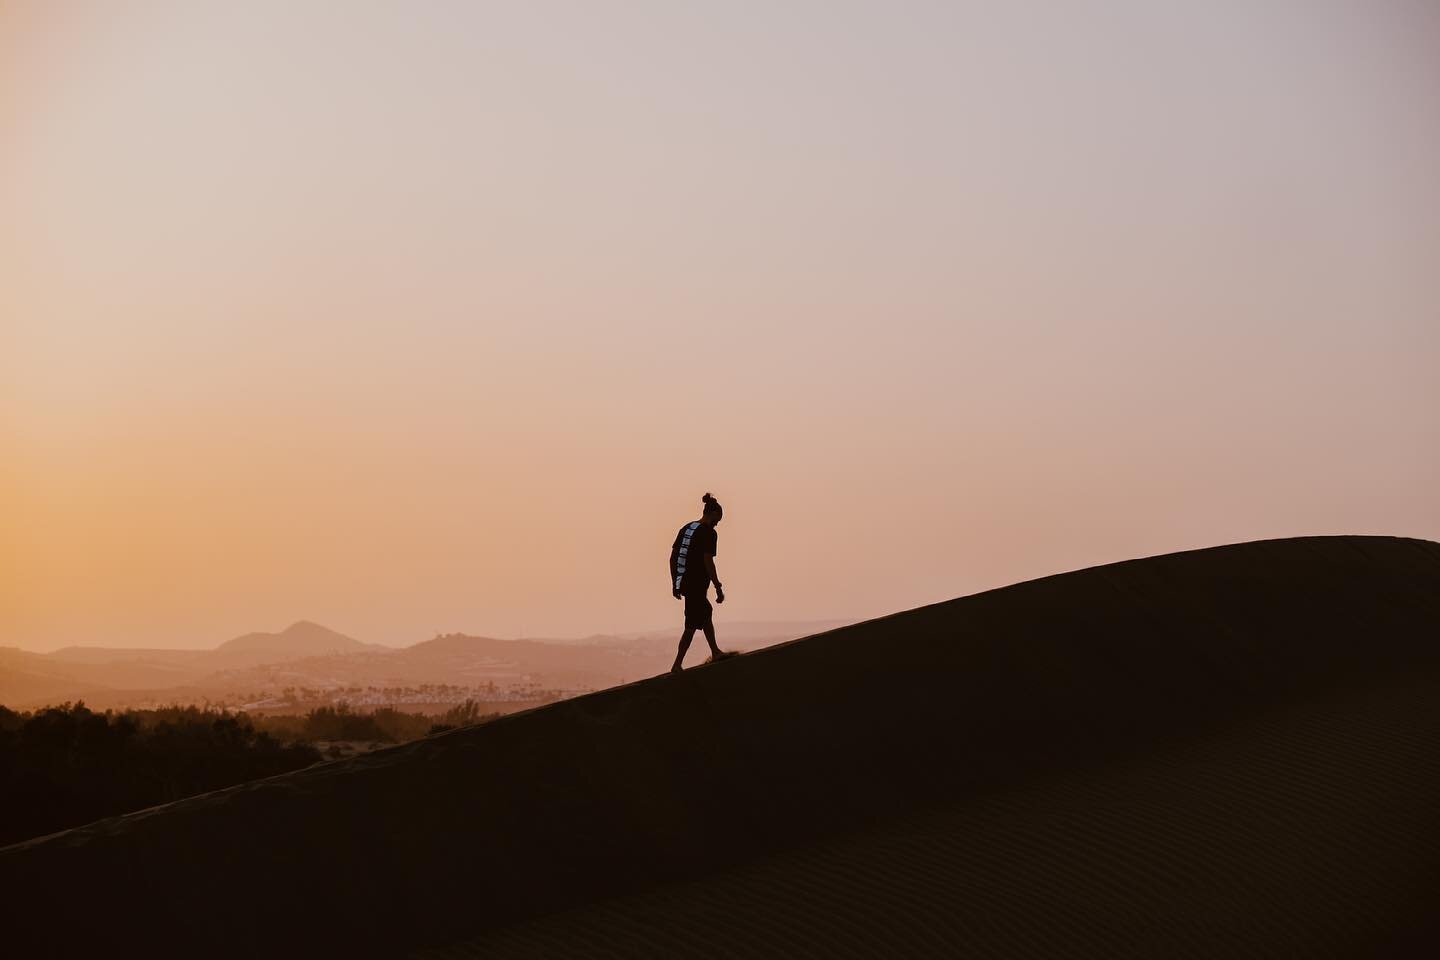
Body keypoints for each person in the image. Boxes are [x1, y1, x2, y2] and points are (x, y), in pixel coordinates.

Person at [669, 492, 729, 672]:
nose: (718, 522)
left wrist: (675, 583)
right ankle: (677, 664)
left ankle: (714, 651)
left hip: (687, 584)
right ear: (712, 514)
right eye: (718, 518)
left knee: (703, 615)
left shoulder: (687, 528)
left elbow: (673, 558)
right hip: (696, 585)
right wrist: (718, 586)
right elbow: (708, 561)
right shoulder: (709, 533)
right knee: (691, 625)